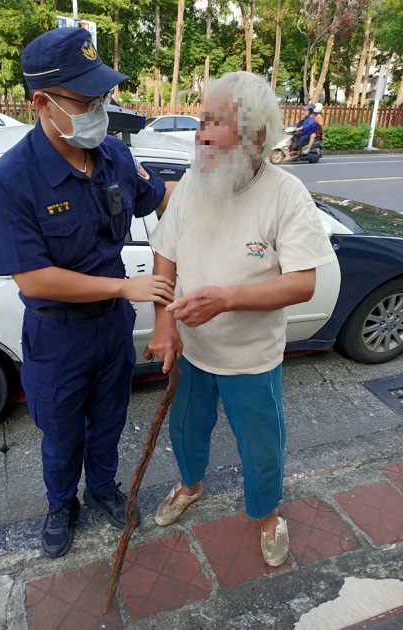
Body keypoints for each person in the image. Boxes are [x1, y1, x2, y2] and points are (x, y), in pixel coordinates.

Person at [0, 27, 176, 558]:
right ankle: (60, 504)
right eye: (86, 101)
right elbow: (33, 278)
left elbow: (162, 200)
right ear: (42, 102)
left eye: (103, 97)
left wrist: (230, 186)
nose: (99, 109)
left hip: (110, 327)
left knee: (110, 418)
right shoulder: (11, 179)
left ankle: (104, 489)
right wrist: (124, 285)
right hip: (57, 334)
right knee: (62, 431)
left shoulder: (112, 154)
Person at [145, 71, 337, 567]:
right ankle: (190, 485)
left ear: (254, 135)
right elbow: (164, 256)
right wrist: (164, 322)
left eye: (214, 122)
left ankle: (268, 514)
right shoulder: (194, 180)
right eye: (201, 119)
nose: (199, 131)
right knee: (186, 429)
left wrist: (226, 298)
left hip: (252, 358)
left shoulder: (285, 193)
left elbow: (302, 283)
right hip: (191, 349)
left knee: (261, 444)